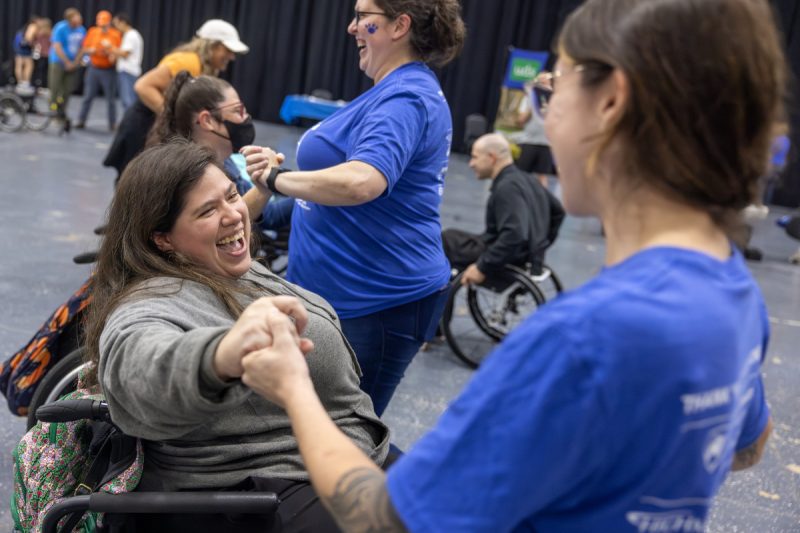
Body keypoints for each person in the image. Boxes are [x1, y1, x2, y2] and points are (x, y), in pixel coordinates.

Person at [239, 0, 783, 530]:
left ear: (610, 104)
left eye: (552, 91)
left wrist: (294, 389)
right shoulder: (730, 289)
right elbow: (748, 445)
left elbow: (384, 519)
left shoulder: (578, 340)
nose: (544, 117)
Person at [84, 140, 389, 532]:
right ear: (162, 238)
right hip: (266, 491)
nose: (234, 215)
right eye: (208, 211)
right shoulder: (150, 302)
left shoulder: (225, 267)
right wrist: (222, 355)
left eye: (231, 195)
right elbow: (141, 369)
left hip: (333, 458)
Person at [243, 0, 466, 416]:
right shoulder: (391, 90)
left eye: (364, 17)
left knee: (345, 436)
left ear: (399, 26)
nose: (352, 27)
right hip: (348, 296)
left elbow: (363, 182)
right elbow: (331, 196)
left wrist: (275, 180)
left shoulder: (405, 97)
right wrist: (269, 207)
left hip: (377, 301)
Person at [103, 19, 248, 180]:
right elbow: (143, 86)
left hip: (154, 124)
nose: (232, 56)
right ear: (211, 46)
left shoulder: (204, 68)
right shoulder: (187, 62)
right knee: (132, 182)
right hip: (142, 124)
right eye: (227, 50)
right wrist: (174, 119)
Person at [148, 72, 293, 231]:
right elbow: (223, 227)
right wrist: (265, 187)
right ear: (207, 120)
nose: (246, 117)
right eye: (238, 111)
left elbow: (269, 216)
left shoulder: (225, 160)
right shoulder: (190, 176)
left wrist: (313, 187)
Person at [442, 132, 564, 286]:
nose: (471, 164)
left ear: (492, 158)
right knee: (453, 236)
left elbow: (515, 235)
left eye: (475, 157)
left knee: (446, 240)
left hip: (506, 256)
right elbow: (558, 211)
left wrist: (482, 267)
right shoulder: (526, 178)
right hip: (525, 255)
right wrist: (539, 247)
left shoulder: (507, 188)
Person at [76, 10, 122, 131]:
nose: (102, 27)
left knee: (110, 99)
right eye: (100, 24)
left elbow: (118, 52)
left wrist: (110, 52)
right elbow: (84, 48)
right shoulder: (92, 32)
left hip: (108, 70)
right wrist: (91, 50)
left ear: (109, 23)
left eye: (104, 24)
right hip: (94, 68)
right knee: (88, 96)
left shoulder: (115, 34)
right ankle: (81, 120)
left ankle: (112, 123)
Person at [508, 81, 557, 187]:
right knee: (522, 174)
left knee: (542, 176)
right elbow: (520, 121)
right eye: (542, 83)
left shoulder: (556, 101)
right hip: (529, 142)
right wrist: (531, 109)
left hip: (547, 144)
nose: (545, 86)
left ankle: (542, 200)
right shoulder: (528, 99)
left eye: (547, 83)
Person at [47, 7, 86, 127]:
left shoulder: (81, 30)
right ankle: (53, 111)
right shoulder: (60, 28)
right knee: (55, 88)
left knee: (67, 90)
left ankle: (62, 112)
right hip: (58, 62)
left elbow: (82, 48)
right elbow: (57, 47)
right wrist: (66, 62)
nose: (80, 18)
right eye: (77, 16)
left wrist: (75, 63)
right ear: (70, 19)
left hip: (73, 64)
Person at [109, 13, 143, 111]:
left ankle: (131, 124)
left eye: (116, 24)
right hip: (128, 71)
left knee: (128, 101)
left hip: (128, 71)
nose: (116, 27)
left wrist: (110, 48)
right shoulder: (129, 35)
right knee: (128, 100)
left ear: (123, 22)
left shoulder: (131, 35)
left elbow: (125, 54)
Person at [12, 16, 40, 93]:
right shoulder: (33, 26)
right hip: (23, 48)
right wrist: (34, 46)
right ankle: (24, 84)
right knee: (28, 65)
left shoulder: (25, 27)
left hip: (19, 47)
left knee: (19, 65)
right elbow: (29, 38)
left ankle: (21, 84)